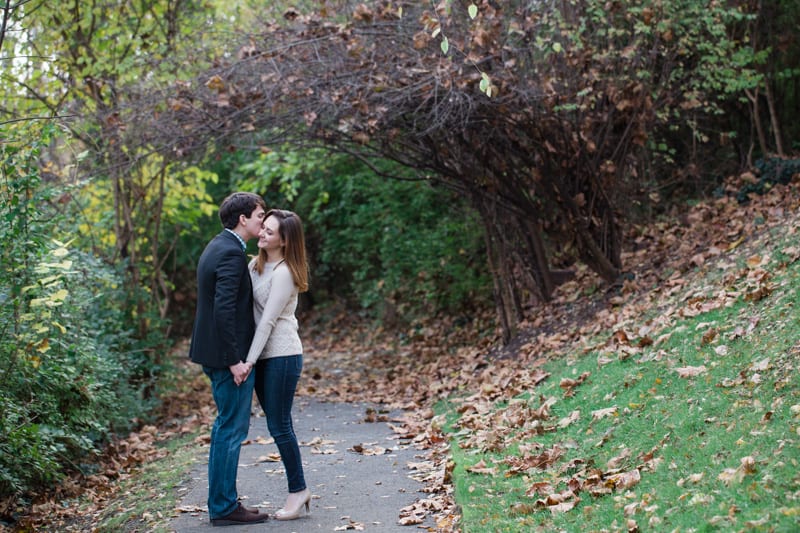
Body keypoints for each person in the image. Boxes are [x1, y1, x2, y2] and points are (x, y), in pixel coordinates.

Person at [188, 192, 270, 526]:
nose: (263, 221)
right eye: (260, 215)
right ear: (243, 219)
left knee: (227, 427)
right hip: (226, 359)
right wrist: (236, 360)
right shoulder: (231, 254)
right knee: (230, 429)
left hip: (216, 354)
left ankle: (223, 503)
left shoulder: (219, 246)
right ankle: (223, 507)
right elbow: (223, 310)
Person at [243, 209, 311, 521]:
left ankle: (298, 491)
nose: (262, 234)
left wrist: (248, 362)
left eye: (270, 232)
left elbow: (268, 321)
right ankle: (299, 490)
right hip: (263, 356)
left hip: (282, 355)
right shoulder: (255, 265)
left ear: (285, 241)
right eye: (263, 228)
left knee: (280, 426)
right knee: (276, 425)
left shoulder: (284, 272)